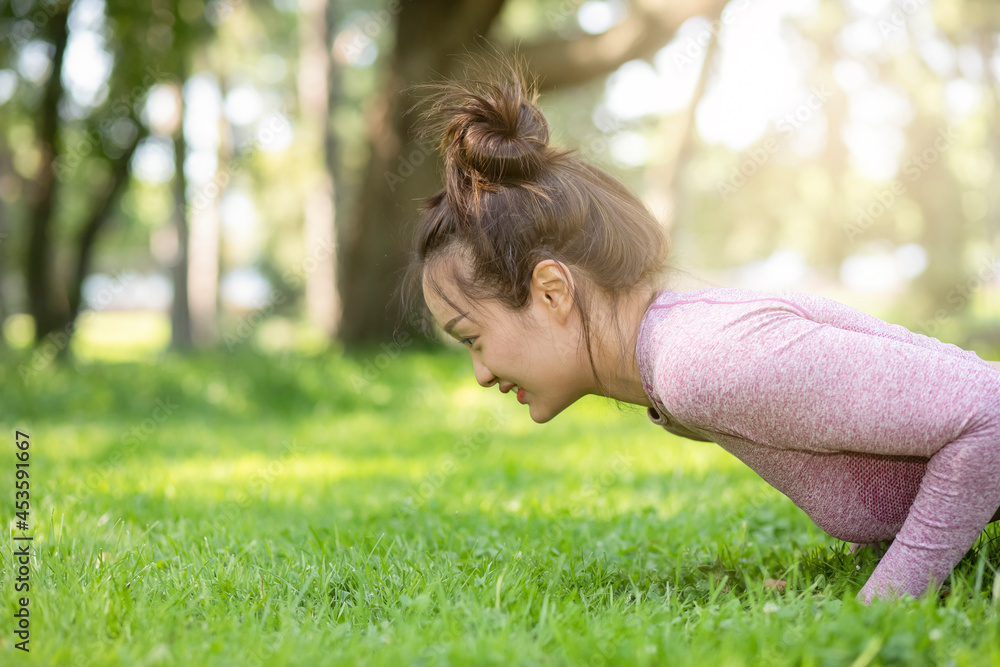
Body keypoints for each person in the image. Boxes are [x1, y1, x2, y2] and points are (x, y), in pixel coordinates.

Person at [398, 56, 1000, 606]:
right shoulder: (677, 367)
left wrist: (887, 600)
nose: (480, 373)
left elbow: (990, 415)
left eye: (473, 338)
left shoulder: (700, 363)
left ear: (552, 291)